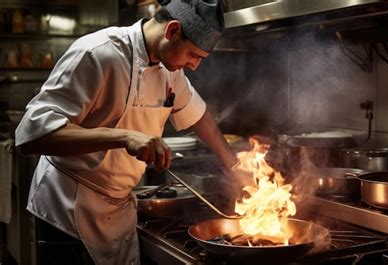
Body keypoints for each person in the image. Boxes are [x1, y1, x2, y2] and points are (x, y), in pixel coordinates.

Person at [14, 0, 237, 264]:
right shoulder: (98, 53)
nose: (194, 66)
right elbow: (31, 136)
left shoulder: (171, 72)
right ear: (172, 30)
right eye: (193, 55)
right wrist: (124, 137)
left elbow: (200, 117)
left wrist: (234, 166)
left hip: (119, 211)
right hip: (68, 210)